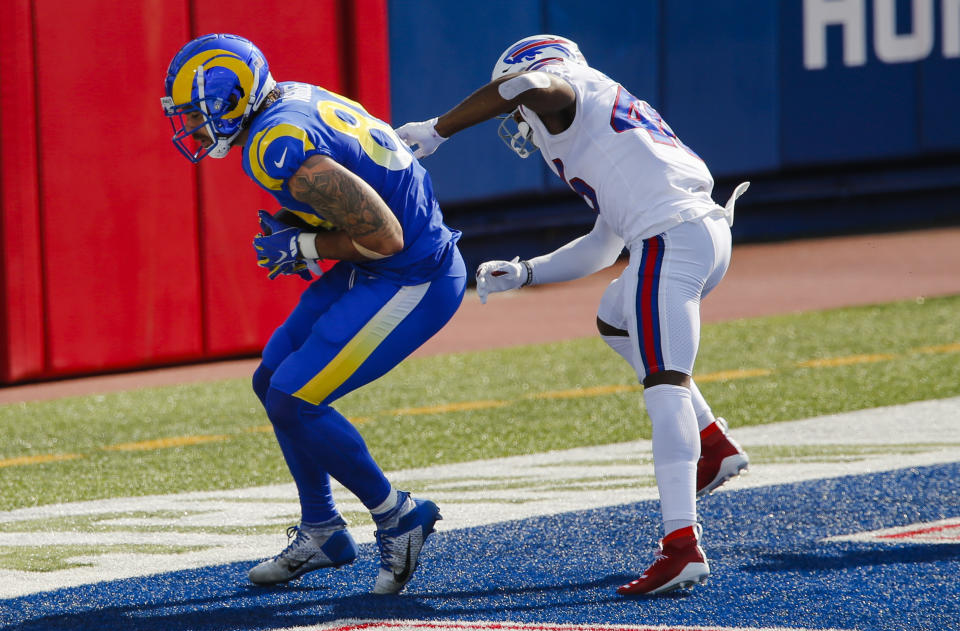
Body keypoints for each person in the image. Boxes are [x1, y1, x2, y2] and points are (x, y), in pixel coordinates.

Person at [397, 35, 750, 596]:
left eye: (514, 109)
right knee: (616, 317)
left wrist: (437, 129)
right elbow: (603, 247)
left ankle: (682, 547)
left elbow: (529, 85)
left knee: (665, 389)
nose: (517, 118)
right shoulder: (604, 121)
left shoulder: (563, 88)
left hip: (673, 239)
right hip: (697, 235)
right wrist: (528, 272)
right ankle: (711, 441)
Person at [161, 33, 464, 595]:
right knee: (271, 379)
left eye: (199, 115)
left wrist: (306, 247)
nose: (194, 129)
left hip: (414, 275)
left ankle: (399, 516)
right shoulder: (285, 101)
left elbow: (387, 237)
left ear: (233, 102)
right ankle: (322, 529)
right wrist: (313, 233)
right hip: (380, 266)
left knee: (294, 398)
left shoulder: (274, 146)